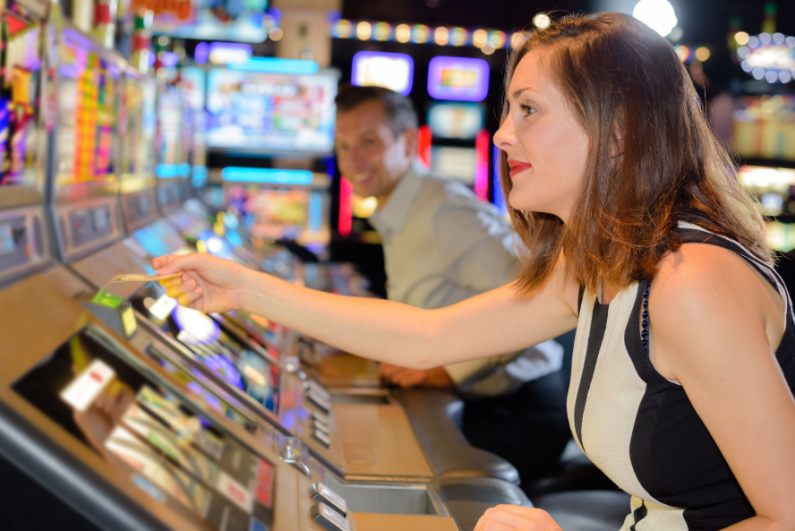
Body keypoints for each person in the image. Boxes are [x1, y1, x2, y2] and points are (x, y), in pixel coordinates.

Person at [153, 11, 795, 530]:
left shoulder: (692, 284)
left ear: (618, 129)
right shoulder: (599, 256)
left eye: (529, 110)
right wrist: (243, 287)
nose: (502, 136)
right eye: (508, 112)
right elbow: (429, 336)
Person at [333, 83, 570, 483]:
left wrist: (450, 370)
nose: (353, 159)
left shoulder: (445, 212)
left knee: (394, 465)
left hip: (522, 410)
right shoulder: (401, 209)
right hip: (483, 400)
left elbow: (537, 296)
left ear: (408, 142)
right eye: (342, 146)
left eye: (368, 142)